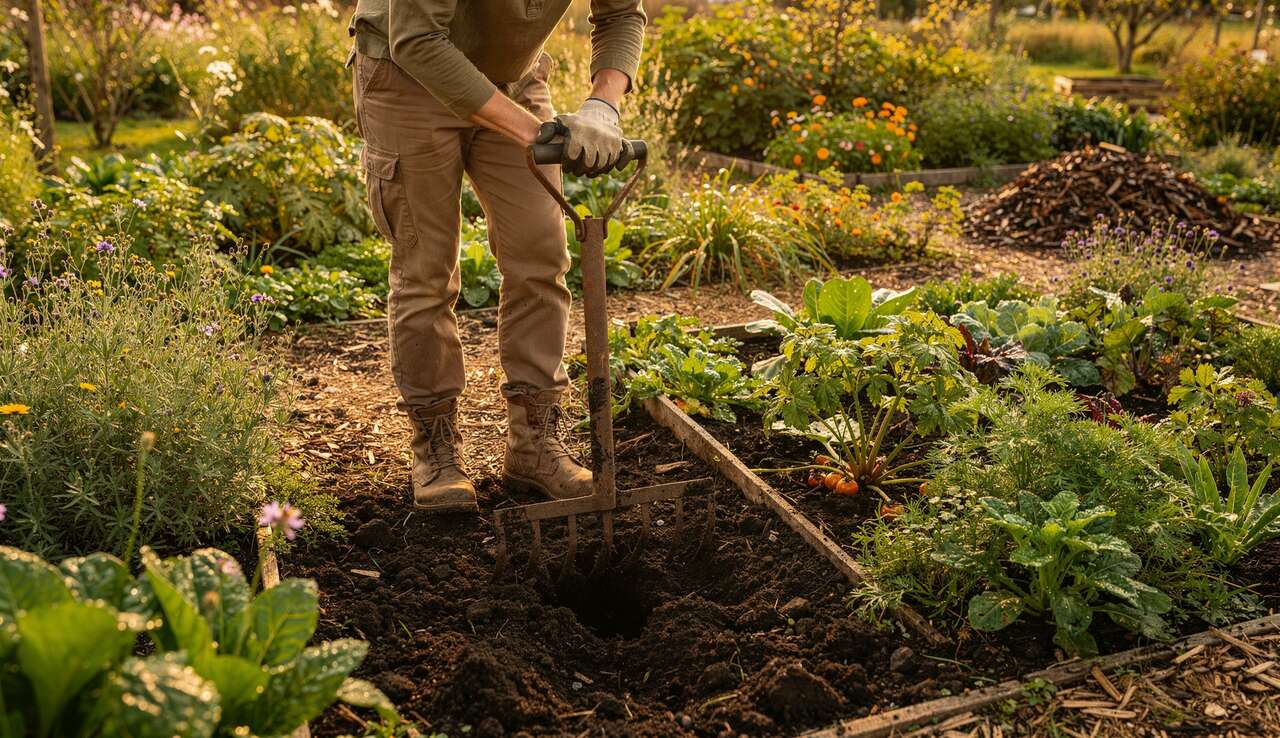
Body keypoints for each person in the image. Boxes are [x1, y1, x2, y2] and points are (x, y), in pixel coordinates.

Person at [347, 0, 645, 513]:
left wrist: (604, 106)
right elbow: (417, 39)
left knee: (540, 255)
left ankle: (535, 442)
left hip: (513, 79)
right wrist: (536, 133)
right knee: (426, 271)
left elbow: (620, 12)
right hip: (405, 78)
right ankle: (435, 446)